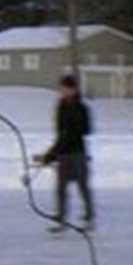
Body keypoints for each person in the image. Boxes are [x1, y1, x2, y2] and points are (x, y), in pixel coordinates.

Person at [41, 74, 95, 232]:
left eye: (64, 88)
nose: (62, 92)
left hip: (78, 152)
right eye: (61, 89)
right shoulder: (61, 106)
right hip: (63, 153)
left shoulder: (81, 107)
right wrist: (53, 153)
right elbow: (60, 132)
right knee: (61, 188)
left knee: (83, 187)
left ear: (73, 89)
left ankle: (88, 218)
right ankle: (61, 219)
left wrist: (74, 128)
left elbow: (87, 130)